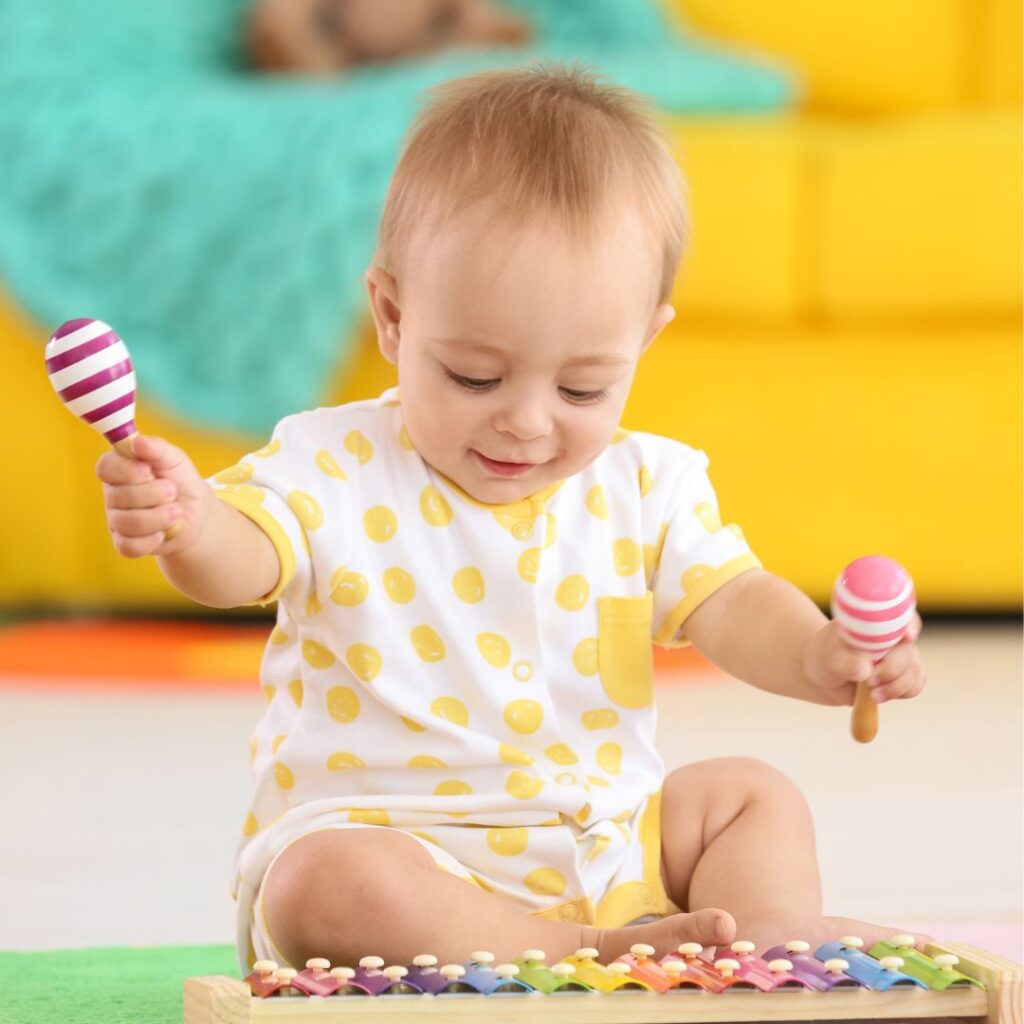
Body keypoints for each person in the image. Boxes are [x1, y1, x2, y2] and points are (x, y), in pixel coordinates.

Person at [95, 63, 927, 973]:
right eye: (475, 377)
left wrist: (819, 653)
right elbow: (240, 559)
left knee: (753, 797)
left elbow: (731, 603)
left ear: (644, 342)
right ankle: (594, 951)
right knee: (318, 888)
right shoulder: (332, 463)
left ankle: (763, 947)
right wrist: (189, 520)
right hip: (403, 856)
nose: (527, 422)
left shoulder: (648, 484)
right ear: (393, 316)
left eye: (582, 387)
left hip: (607, 845)